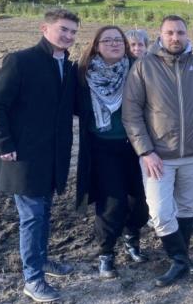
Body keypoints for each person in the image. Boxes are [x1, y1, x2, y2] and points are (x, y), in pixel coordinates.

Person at [0, 9, 80, 303]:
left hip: (53, 155)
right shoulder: (20, 61)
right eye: (63, 29)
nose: (68, 36)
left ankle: (42, 260)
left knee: (44, 213)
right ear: (44, 28)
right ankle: (33, 279)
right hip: (23, 155)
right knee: (32, 217)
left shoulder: (68, 66)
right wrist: (3, 143)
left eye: (73, 32)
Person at [122, 15, 193, 287]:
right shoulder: (143, 67)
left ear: (187, 35)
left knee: (186, 207)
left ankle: (180, 260)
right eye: (170, 32)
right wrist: (145, 151)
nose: (175, 37)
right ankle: (180, 259)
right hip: (158, 157)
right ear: (160, 35)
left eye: (180, 32)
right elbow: (131, 114)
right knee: (161, 213)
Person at [75, 26, 150, 279]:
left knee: (140, 202)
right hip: (103, 147)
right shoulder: (84, 74)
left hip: (136, 146)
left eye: (118, 40)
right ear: (97, 45)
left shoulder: (137, 68)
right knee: (112, 203)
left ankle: (132, 237)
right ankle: (106, 254)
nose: (114, 44)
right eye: (107, 40)